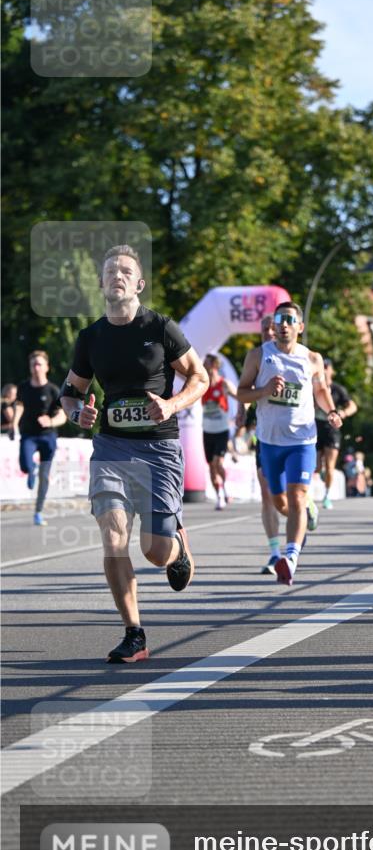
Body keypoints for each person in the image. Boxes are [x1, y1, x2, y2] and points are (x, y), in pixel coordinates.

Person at [59, 244, 208, 664]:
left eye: (125, 270)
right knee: (112, 537)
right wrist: (78, 415)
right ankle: (134, 633)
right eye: (110, 271)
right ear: (102, 283)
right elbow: (71, 394)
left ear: (138, 283)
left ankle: (176, 539)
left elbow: (201, 376)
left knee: (155, 553)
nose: (117, 276)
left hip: (159, 448)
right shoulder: (91, 337)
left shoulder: (161, 328)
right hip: (110, 447)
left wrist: (173, 404)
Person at [236, 301, 342, 586]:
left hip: (302, 440)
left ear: (300, 327)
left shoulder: (312, 359)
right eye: (280, 319)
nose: (283, 324)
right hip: (270, 442)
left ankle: (290, 558)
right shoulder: (258, 356)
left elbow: (320, 390)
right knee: (280, 502)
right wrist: (265, 390)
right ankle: (307, 513)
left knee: (296, 497)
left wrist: (331, 410)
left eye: (289, 320)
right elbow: (242, 393)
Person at [236, 314, 282, 575]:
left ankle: (304, 504)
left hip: (294, 438)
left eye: (273, 329)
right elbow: (246, 388)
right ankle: (275, 553)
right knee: (267, 495)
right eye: (265, 329)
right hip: (265, 435)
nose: (269, 333)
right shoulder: (256, 356)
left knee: (287, 499)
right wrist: (242, 410)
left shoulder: (296, 356)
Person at [12, 352, 67, 525]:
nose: (36, 368)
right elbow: (19, 406)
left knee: (44, 477)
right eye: (33, 365)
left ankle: (38, 511)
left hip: (47, 437)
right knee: (25, 466)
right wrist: (14, 424)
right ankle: (31, 468)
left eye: (39, 364)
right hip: (29, 435)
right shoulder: (23, 387)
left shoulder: (53, 390)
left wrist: (50, 420)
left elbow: (62, 416)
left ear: (46, 367)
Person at [315, 358, 357, 509]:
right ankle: (321, 474)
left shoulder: (338, 389)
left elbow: (353, 406)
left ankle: (326, 496)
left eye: (327, 367)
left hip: (332, 429)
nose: (325, 370)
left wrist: (343, 413)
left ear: (332, 370)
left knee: (330, 465)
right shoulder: (313, 387)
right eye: (323, 367)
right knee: (316, 466)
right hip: (315, 426)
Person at [201, 353, 237, 510]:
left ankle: (224, 489)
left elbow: (240, 396)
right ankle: (220, 494)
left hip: (222, 430)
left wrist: (241, 412)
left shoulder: (224, 384)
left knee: (218, 463)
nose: (204, 364)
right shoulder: (202, 384)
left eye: (207, 362)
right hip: (207, 431)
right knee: (211, 467)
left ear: (214, 365)